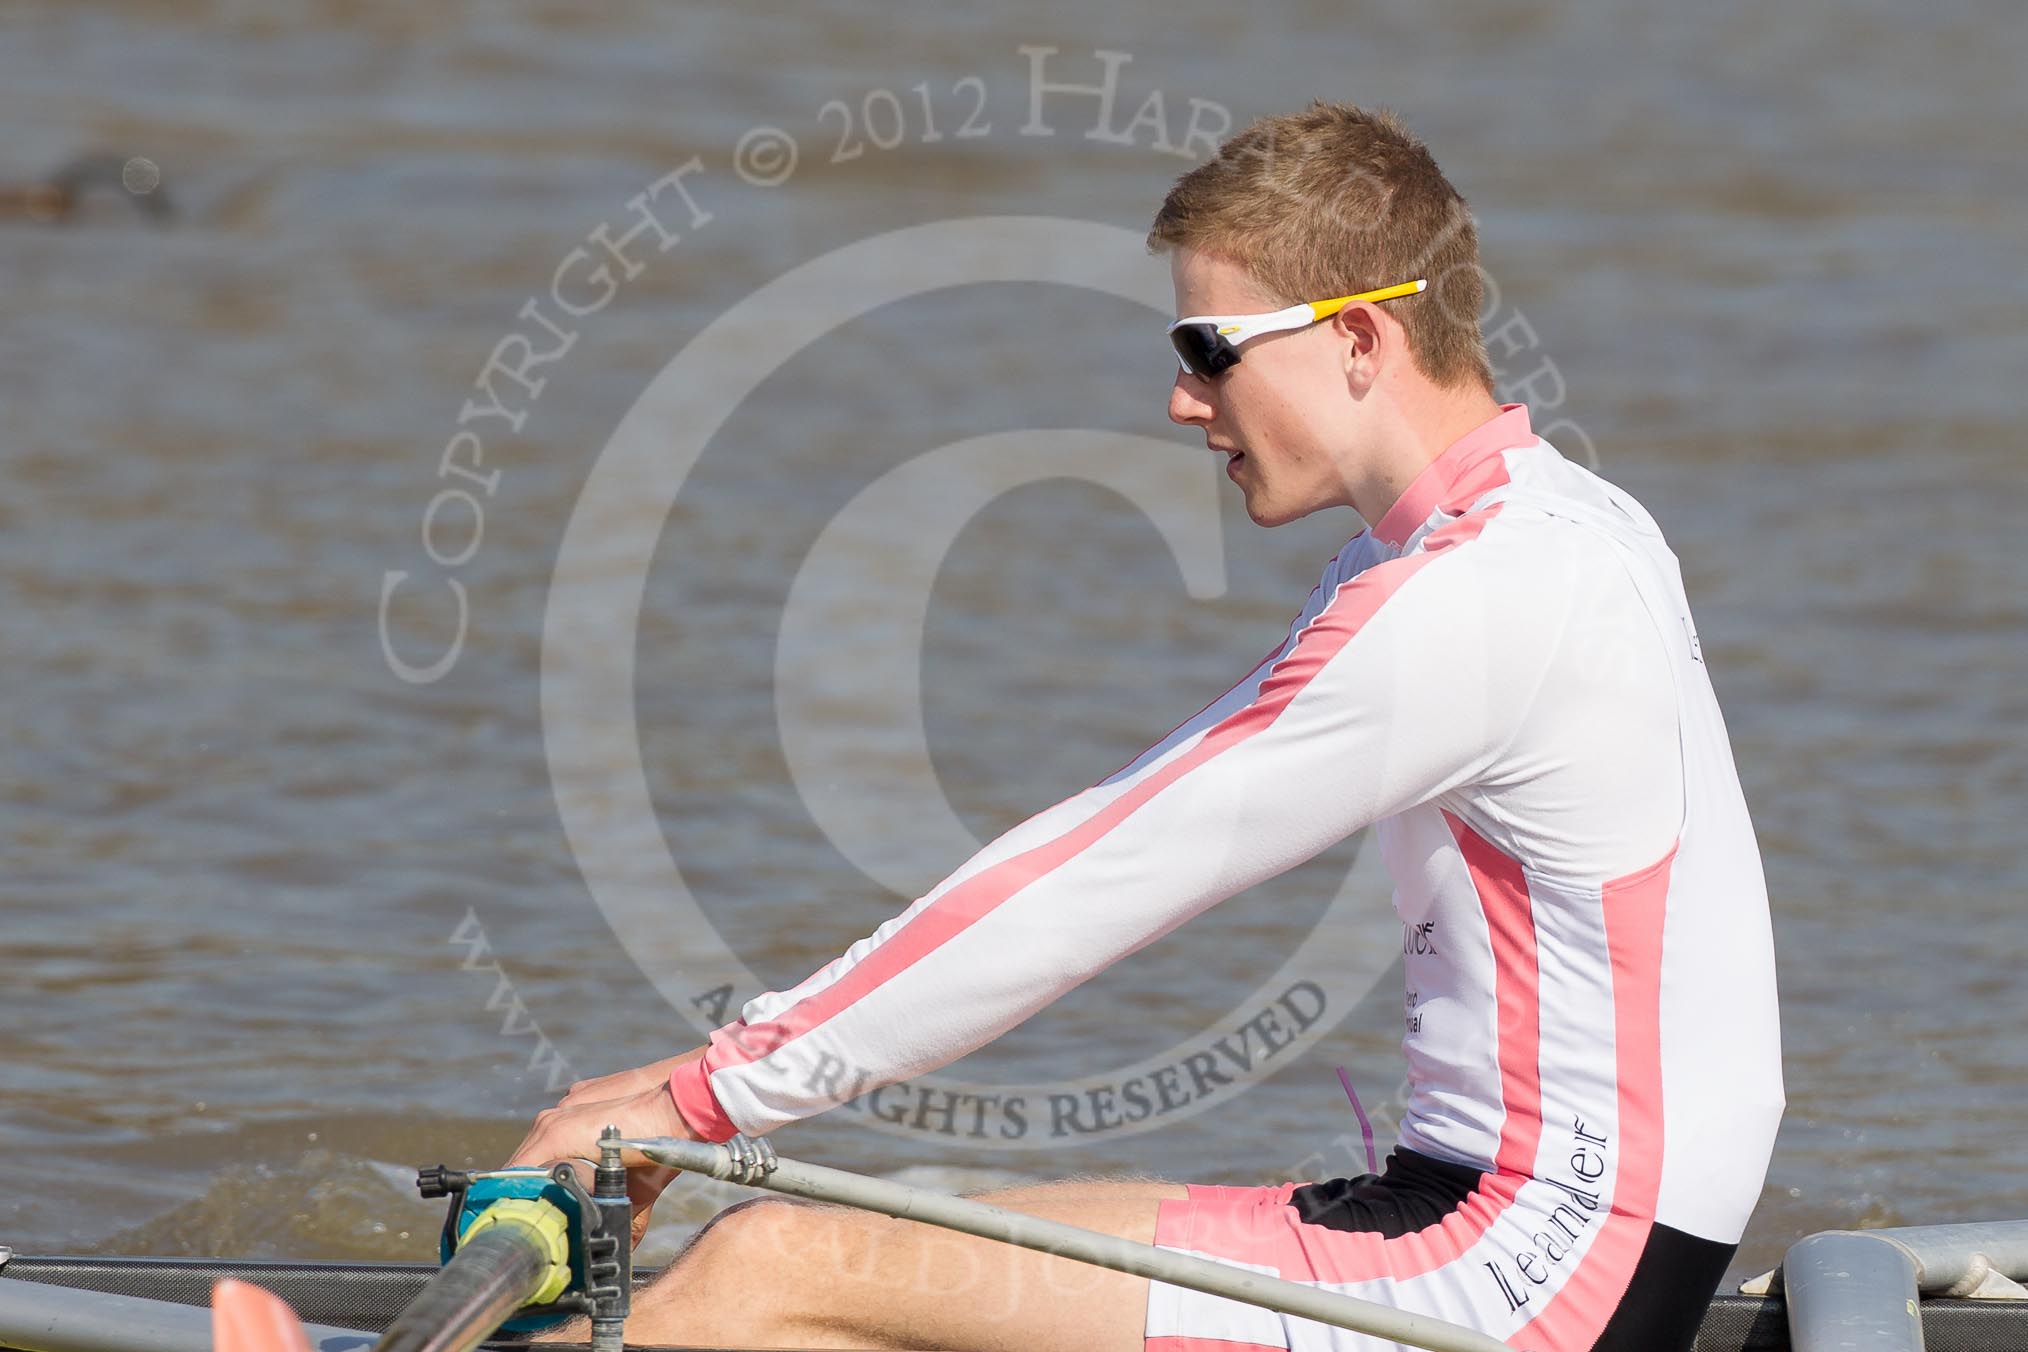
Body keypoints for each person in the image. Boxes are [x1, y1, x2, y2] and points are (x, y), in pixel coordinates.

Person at [508, 102, 1784, 1352]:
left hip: (1535, 1278)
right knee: (822, 1269)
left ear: (1359, 339)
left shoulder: (1486, 598)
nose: (1182, 398)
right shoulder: (1560, 524)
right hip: (1486, 1220)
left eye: (1207, 346)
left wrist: (698, 1095)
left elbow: (1102, 872)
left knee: (773, 1267)